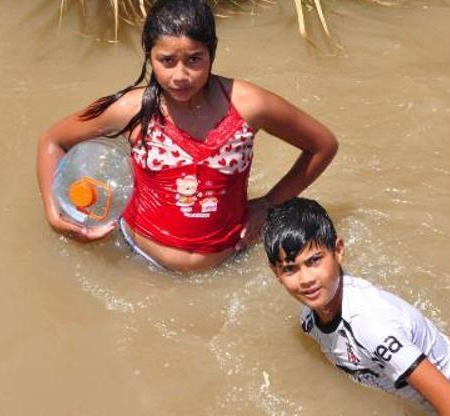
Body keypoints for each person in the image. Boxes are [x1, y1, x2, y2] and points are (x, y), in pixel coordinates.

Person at [36, 0, 337, 272]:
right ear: (149, 56)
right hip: (138, 260)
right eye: (166, 60)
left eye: (194, 59)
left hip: (229, 262)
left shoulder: (249, 105)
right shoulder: (130, 109)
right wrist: (54, 212)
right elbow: (53, 140)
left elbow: (322, 145)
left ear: (212, 53)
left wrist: (270, 203)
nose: (180, 75)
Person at [262, 198, 450, 416]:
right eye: (291, 269)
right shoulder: (309, 320)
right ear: (276, 273)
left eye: (315, 261)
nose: (306, 279)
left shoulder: (372, 326)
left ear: (339, 251)